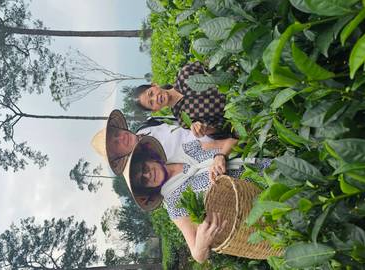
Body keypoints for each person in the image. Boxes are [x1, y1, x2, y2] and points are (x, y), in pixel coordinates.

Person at [122, 136, 271, 263]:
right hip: (258, 205)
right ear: (148, 190)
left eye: (144, 168)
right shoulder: (174, 203)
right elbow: (198, 255)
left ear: (149, 158)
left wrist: (221, 156)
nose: (148, 175)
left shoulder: (187, 150)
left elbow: (231, 141)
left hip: (264, 168)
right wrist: (202, 242)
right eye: (143, 181)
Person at [91, 109, 234, 176]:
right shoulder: (147, 163)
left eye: (116, 134)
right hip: (222, 157)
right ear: (119, 155)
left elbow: (181, 122)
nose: (121, 138)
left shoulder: (148, 124)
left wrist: (202, 126)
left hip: (218, 127)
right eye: (116, 144)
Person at [133, 61, 232, 139]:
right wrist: (205, 129)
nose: (155, 98)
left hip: (240, 79)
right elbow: (223, 130)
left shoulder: (185, 73)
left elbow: (216, 63)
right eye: (151, 103)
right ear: (155, 110)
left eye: (151, 93)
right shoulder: (184, 120)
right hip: (240, 107)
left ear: (154, 85)